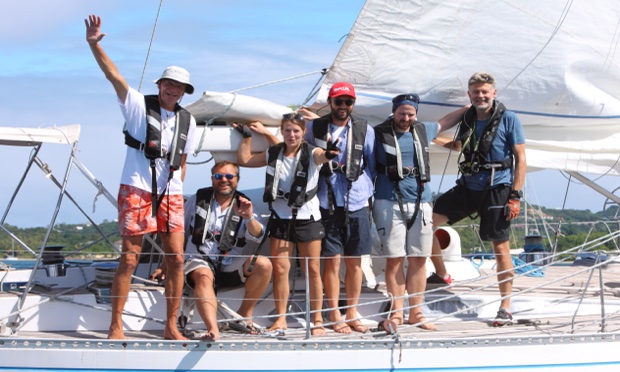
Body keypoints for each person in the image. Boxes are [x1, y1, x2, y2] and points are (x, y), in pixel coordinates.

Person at [85, 15, 197, 340]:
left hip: (170, 194)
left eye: (179, 87)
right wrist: (94, 44)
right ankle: (115, 326)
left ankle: (171, 325)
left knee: (176, 258)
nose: (173, 90)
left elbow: (183, 159)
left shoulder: (188, 121)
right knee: (130, 258)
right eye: (169, 84)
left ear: (184, 92)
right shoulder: (136, 106)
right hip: (136, 188)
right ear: (159, 85)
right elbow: (112, 75)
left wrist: (176, 185)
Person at [432, 72, 526, 326]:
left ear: (494, 93)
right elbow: (457, 145)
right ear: (469, 95)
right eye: (476, 92)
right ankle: (441, 274)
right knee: (427, 223)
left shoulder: (509, 119)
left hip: (497, 187)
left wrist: (515, 196)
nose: (481, 96)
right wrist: (431, 137)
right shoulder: (469, 117)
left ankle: (505, 306)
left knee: (499, 246)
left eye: (485, 92)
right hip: (468, 185)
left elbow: (521, 158)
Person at [236, 115, 338, 336]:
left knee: (313, 270)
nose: (292, 135)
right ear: (282, 132)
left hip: (308, 219)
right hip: (281, 218)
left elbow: (322, 156)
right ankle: (280, 318)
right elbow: (244, 160)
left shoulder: (311, 153)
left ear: (303, 133)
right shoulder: (275, 153)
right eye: (288, 131)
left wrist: (329, 153)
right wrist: (247, 136)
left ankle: (318, 319)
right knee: (281, 270)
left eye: (296, 131)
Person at [373, 94, 467, 331]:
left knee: (418, 259)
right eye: (401, 114)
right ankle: (396, 313)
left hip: (421, 202)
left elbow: (446, 122)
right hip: (388, 201)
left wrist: (470, 106)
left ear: (416, 114)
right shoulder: (376, 133)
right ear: (394, 112)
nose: (405, 118)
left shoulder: (423, 129)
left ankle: (415, 312)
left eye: (410, 114)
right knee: (394, 260)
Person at [154, 161, 272, 341]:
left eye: (229, 176)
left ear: (237, 180)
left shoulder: (243, 204)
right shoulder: (197, 199)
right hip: (198, 262)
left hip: (229, 265)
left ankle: (243, 314)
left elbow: (258, 234)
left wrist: (248, 218)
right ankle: (212, 329)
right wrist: (164, 266)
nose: (223, 180)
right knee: (203, 274)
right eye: (218, 176)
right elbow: (178, 233)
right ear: (212, 179)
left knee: (263, 264)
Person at [304, 82, 376, 334]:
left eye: (348, 102)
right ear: (330, 102)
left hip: (357, 202)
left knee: (355, 263)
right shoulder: (313, 128)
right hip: (327, 202)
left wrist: (367, 192)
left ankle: (352, 313)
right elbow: (303, 154)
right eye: (338, 101)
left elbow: (371, 162)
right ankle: (334, 314)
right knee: (331, 263)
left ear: (353, 104)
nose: (343, 106)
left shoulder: (364, 129)